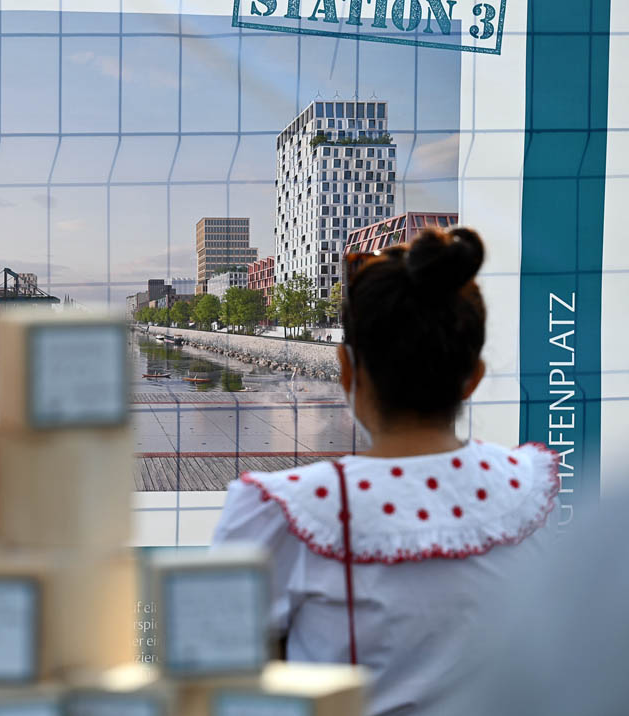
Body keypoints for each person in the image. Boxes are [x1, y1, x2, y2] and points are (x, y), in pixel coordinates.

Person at [212, 227, 559, 716]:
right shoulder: (530, 491)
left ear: (347, 370)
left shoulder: (282, 511)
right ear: (473, 377)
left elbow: (230, 682)